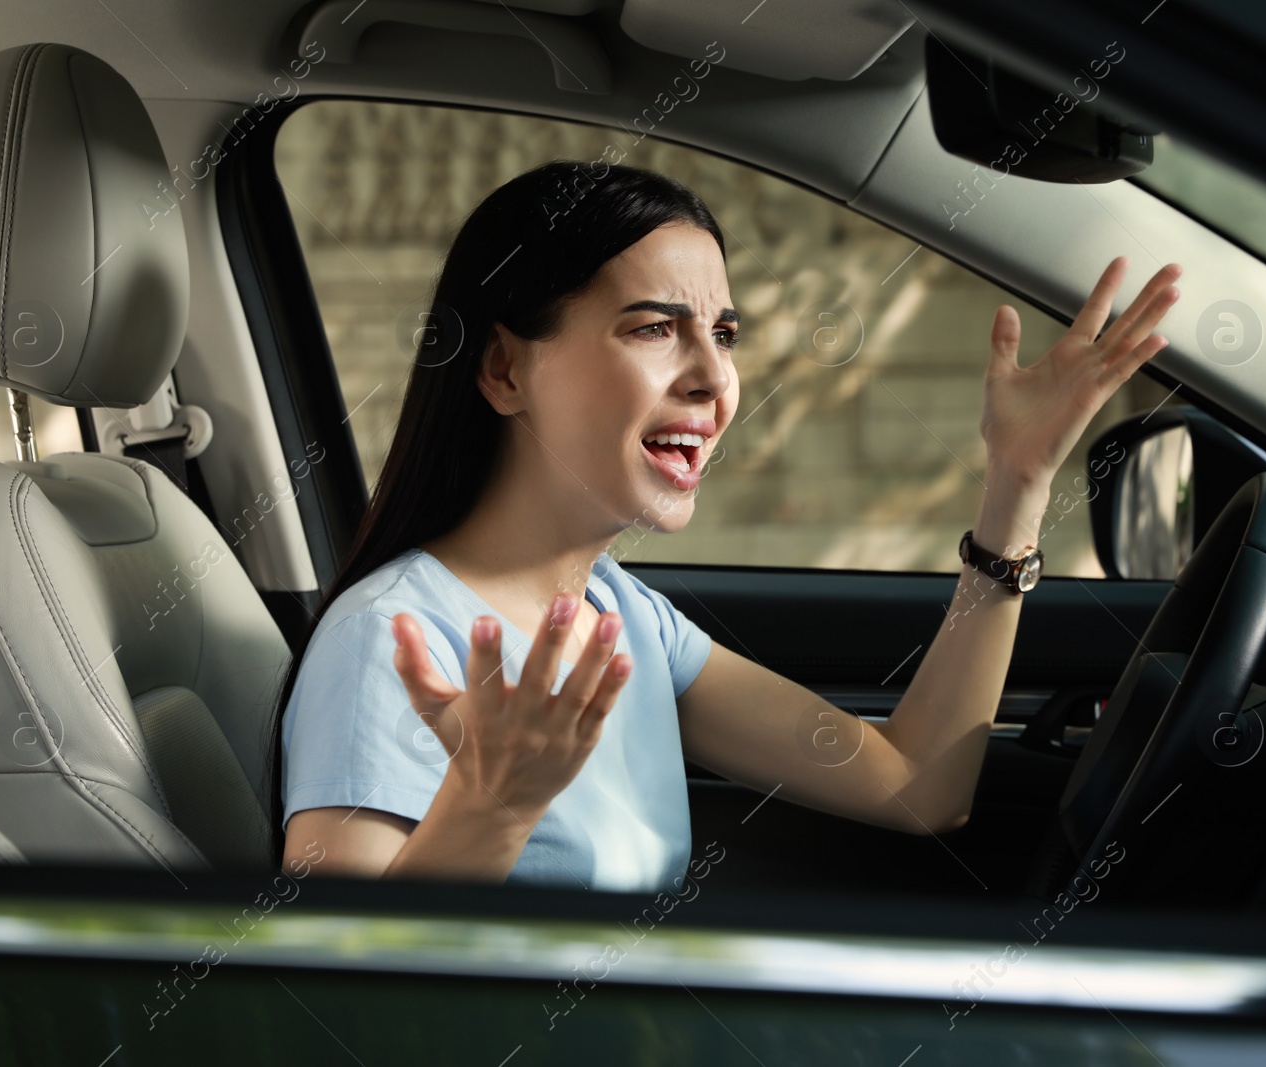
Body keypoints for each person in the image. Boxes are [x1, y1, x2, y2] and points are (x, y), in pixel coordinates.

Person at [268, 159, 1180, 890]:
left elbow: (916, 785)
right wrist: (491, 809)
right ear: (504, 369)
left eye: (726, 333)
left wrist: (1017, 485)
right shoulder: (388, 645)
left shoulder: (623, 615)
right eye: (655, 329)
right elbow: (329, 1013)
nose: (715, 378)